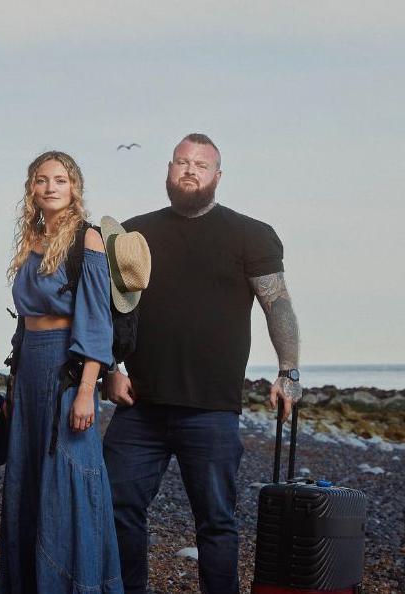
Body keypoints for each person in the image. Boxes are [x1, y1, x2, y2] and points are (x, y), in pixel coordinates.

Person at [103, 133, 302, 594]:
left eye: (201, 164)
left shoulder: (250, 234)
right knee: (115, 507)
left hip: (211, 410)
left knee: (216, 522)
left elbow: (278, 304)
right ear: (168, 170)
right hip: (141, 405)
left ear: (217, 176)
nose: (190, 170)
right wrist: (111, 368)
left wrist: (288, 370)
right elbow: (109, 310)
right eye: (181, 162)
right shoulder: (134, 234)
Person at [0, 151, 123, 593]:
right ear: (31, 189)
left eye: (60, 180)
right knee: (28, 479)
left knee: (69, 476)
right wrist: (11, 381)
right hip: (30, 365)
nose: (50, 187)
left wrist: (88, 389)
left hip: (66, 369)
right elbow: (22, 320)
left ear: (74, 189)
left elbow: (96, 320)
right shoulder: (30, 241)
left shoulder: (87, 241)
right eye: (41, 179)